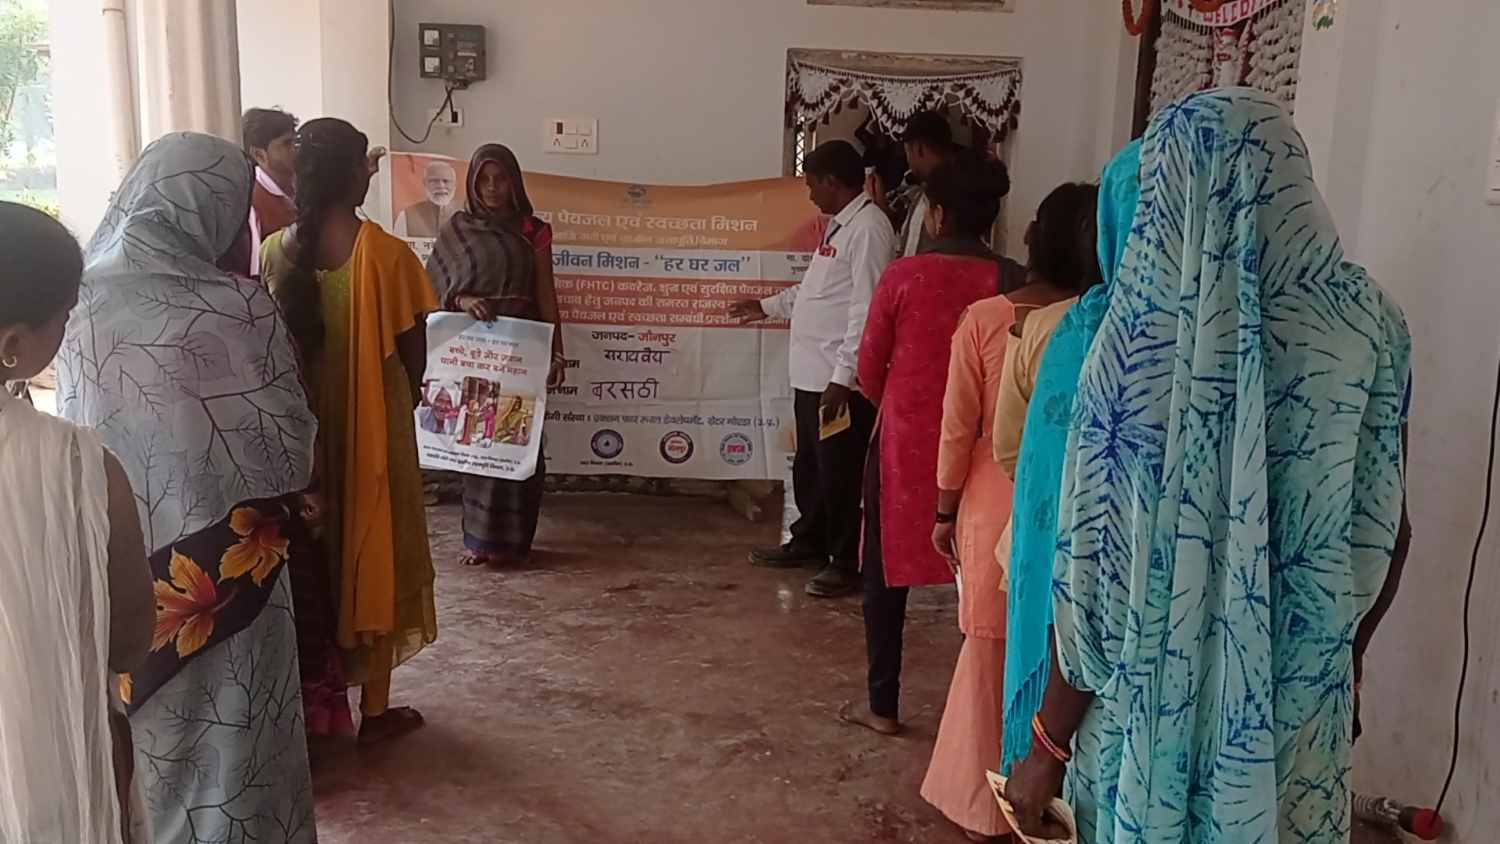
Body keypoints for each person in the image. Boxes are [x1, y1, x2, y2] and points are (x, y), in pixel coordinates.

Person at [1003, 89, 1412, 843]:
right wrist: (1337, 660)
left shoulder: (1134, 344)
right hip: (1297, 705)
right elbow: (1388, 527)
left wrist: (1047, 746)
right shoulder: (1369, 324)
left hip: (1148, 724)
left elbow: (1096, 578)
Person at [56, 133, 322, 842]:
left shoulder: (78, 305)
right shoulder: (239, 310)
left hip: (122, 572)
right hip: (234, 574)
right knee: (241, 748)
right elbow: (291, 452)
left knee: (149, 756)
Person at [919, 181, 1101, 842]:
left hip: (1005, 505)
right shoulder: (1115, 325)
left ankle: (983, 804)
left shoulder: (991, 320)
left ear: (1034, 241)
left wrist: (944, 509)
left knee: (991, 656)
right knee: (1067, 660)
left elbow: (962, 427)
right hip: (1084, 521)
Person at [261, 117, 438, 744]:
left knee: (313, 557)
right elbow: (414, 356)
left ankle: (314, 705)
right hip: (373, 430)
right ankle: (376, 711)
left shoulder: (275, 251)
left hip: (294, 437)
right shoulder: (386, 256)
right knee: (377, 545)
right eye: (366, 162)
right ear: (351, 173)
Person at [840, 153, 1011, 735]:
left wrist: (902, 401)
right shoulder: (1013, 279)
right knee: (986, 578)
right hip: (988, 451)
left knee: (884, 576)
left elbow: (868, 367)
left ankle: (882, 705)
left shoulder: (903, 276)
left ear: (935, 214)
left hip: (905, 444)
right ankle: (982, 714)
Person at [0, 202, 155, 843]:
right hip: (48, 784)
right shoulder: (77, 468)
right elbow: (127, 642)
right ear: (12, 345)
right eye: (63, 317)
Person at [730, 140, 895, 598]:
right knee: (812, 467)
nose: (809, 195)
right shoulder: (839, 226)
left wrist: (844, 377)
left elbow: (867, 309)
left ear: (832, 181)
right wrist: (765, 306)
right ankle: (811, 541)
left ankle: (846, 562)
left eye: (811, 185)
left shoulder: (870, 229)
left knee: (840, 472)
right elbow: (815, 291)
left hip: (837, 382)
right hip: (811, 375)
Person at [426, 143, 568, 567]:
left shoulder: (532, 231)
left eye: (500, 179)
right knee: (480, 443)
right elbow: (432, 285)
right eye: (483, 180)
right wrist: (463, 299)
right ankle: (479, 542)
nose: (492, 188)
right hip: (474, 352)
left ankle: (515, 543)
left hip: (521, 349)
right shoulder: (458, 229)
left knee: (518, 442)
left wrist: (558, 353)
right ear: (472, 183)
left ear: (514, 182)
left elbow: (546, 293)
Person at [244, 107, 299, 276]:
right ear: (259, 155)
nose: (296, 149)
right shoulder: (252, 202)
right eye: (287, 143)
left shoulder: (304, 186)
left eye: (296, 141)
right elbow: (256, 272)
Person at [397, 159, 459, 238]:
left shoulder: (467, 215)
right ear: (424, 183)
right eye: (434, 181)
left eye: (446, 181)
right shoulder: (406, 216)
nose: (441, 186)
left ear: (455, 184)